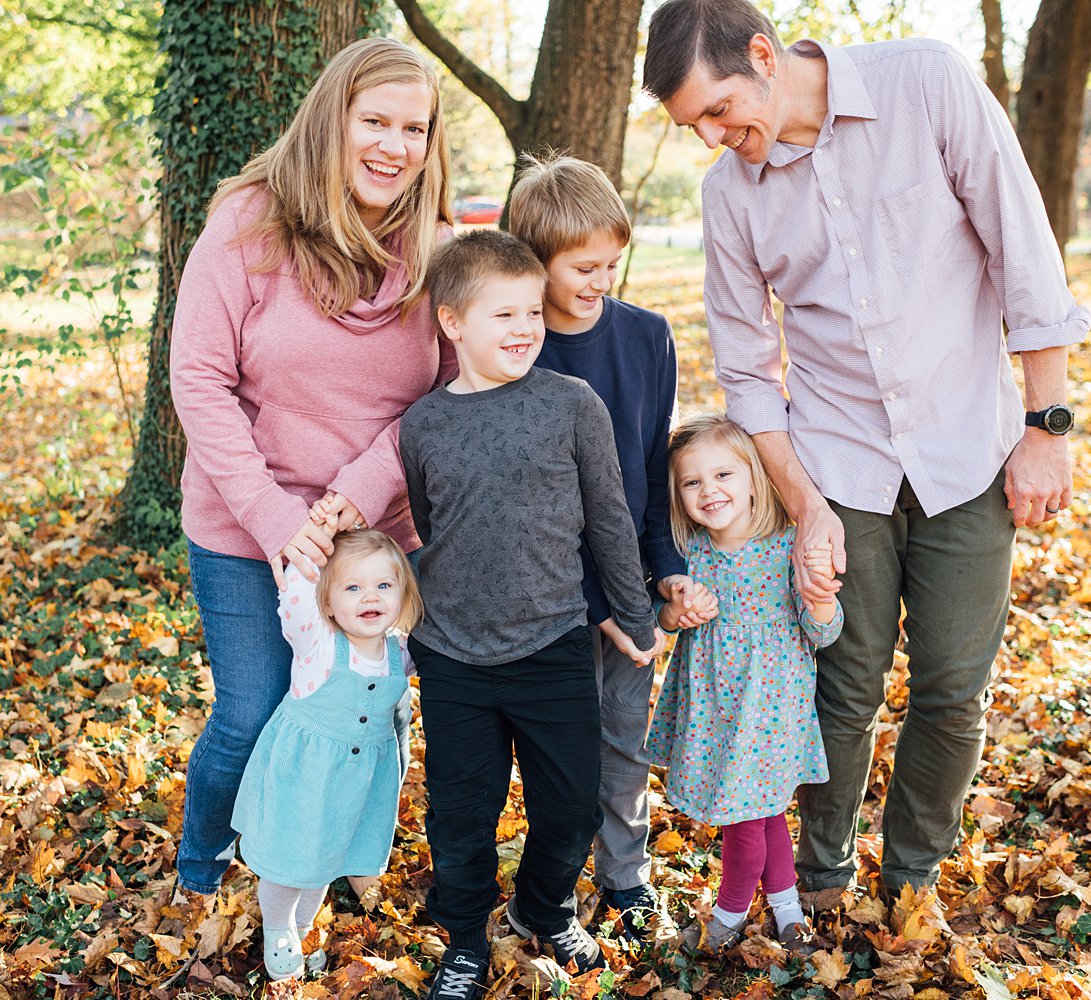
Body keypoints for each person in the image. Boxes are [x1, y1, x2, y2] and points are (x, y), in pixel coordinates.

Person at [642, 0, 1091, 903]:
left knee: (953, 691)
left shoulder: (925, 83)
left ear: (764, 56)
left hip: (968, 450)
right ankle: (820, 879)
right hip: (838, 466)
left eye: (721, 111)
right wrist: (807, 509)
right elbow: (748, 372)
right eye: (696, 127)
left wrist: (1046, 427)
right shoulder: (729, 196)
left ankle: (913, 875)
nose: (716, 139)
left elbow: (1024, 255)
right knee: (842, 691)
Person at [168, 36, 453, 902]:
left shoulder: (436, 250)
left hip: (372, 541)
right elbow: (199, 379)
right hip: (244, 527)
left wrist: (354, 498)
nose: (394, 146)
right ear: (334, 118)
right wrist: (278, 519)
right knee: (255, 712)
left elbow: (444, 396)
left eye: (415, 128)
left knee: (351, 716)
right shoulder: (249, 226)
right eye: (375, 121)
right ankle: (203, 864)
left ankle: (316, 860)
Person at [400, 230, 663, 1000]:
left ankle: (542, 907)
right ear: (452, 323)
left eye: (531, 313)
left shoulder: (570, 405)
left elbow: (609, 519)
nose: (523, 329)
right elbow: (428, 522)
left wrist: (635, 616)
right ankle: (464, 942)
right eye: (502, 314)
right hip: (453, 655)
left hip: (553, 643)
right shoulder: (423, 423)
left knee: (572, 806)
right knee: (461, 813)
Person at [505, 153, 713, 940]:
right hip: (549, 599)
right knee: (561, 757)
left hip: (630, 592)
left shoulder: (645, 338)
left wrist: (665, 573)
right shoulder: (515, 353)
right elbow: (525, 508)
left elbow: (650, 472)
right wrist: (593, 607)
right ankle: (550, 889)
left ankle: (626, 880)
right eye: (583, 267)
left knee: (624, 744)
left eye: (611, 264)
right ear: (536, 263)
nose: (601, 280)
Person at [648, 415, 841, 952]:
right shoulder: (691, 555)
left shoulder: (788, 548)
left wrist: (822, 603)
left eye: (723, 475)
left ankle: (728, 916)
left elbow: (821, 632)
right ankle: (787, 911)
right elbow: (664, 620)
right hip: (715, 708)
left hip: (771, 709)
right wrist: (674, 613)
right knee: (762, 813)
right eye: (692, 482)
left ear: (755, 477)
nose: (709, 490)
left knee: (745, 820)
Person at [231, 529, 422, 980]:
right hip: (304, 773)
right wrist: (313, 537)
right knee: (291, 855)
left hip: (355, 782)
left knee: (326, 856)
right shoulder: (317, 642)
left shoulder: (401, 651)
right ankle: (278, 926)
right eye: (352, 587)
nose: (369, 597)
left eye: (383, 586)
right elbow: (296, 595)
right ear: (329, 601)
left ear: (402, 593)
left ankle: (302, 925)